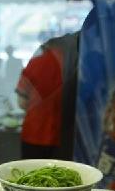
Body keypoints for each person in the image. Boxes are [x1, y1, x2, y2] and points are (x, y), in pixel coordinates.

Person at [16, 31, 79, 160]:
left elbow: (21, 102)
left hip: (34, 134)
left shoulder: (35, 63)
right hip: (62, 138)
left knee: (31, 176)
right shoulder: (73, 68)